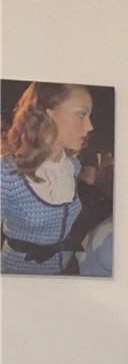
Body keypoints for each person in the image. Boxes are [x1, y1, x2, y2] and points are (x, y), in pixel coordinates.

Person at [1, 82, 109, 276]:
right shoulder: (7, 173)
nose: (90, 126)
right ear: (48, 114)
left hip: (64, 271)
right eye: (81, 114)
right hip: (17, 274)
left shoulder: (72, 166)